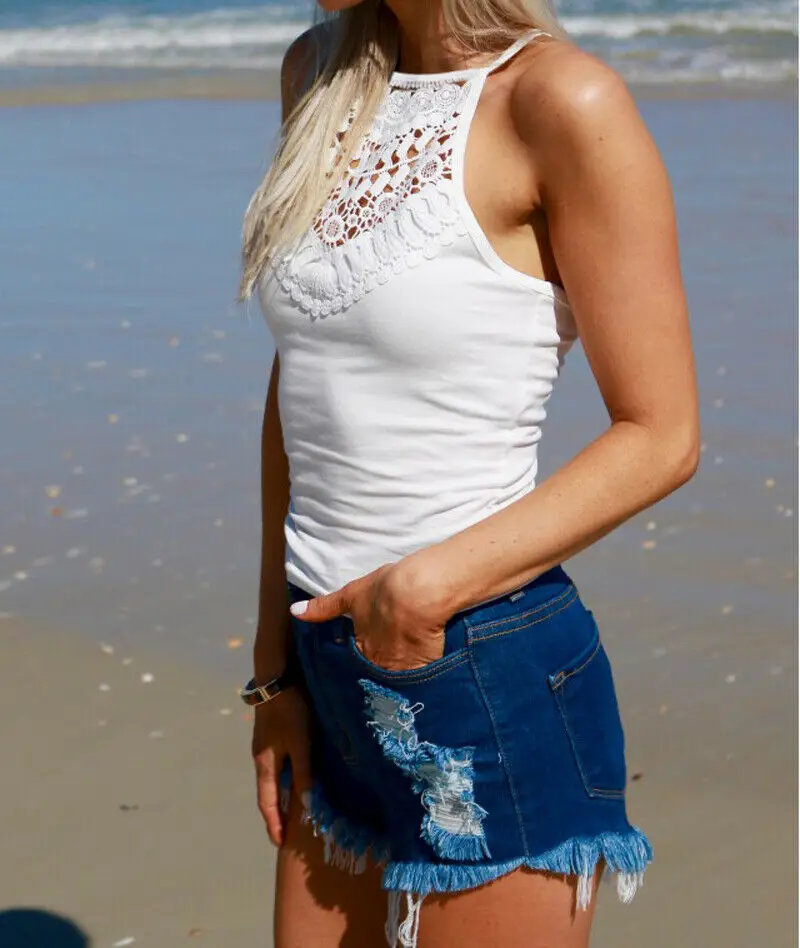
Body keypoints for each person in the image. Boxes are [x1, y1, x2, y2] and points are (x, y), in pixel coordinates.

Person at [237, 0, 699, 945]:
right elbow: (303, 385)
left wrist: (424, 588)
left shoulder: (560, 101)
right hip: (324, 673)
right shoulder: (317, 74)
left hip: (479, 669)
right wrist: (273, 675)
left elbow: (663, 435)